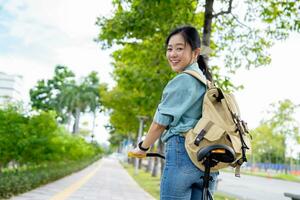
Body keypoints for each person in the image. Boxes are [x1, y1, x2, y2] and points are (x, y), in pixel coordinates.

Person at [128, 25, 218, 200]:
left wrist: (142, 147)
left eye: (179, 48)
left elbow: (159, 123)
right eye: (170, 49)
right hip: (207, 162)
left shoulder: (183, 80)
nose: (173, 54)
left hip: (182, 154)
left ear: (195, 53)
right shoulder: (208, 84)